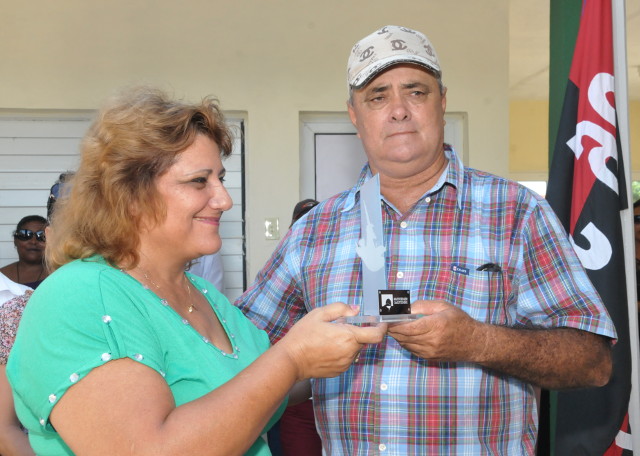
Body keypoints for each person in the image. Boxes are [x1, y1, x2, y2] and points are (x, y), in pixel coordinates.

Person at [236, 25, 617, 454]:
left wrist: (478, 340)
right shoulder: (313, 232)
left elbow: (594, 361)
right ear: (354, 116)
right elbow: (239, 353)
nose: (398, 110)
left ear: (442, 102)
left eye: (416, 91)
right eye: (377, 96)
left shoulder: (518, 214)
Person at [6, 86, 386, 456]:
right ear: (130, 197)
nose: (223, 199)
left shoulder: (204, 296)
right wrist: (291, 359)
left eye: (220, 178)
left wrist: (332, 344)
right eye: (199, 181)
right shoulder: (79, 296)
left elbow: (258, 387)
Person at [0, 215, 48, 289]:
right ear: (15, 241)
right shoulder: (2, 276)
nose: (33, 242)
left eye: (41, 236)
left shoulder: (59, 274)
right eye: (25, 235)